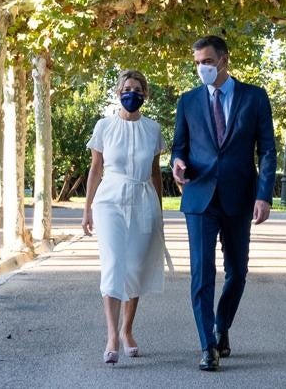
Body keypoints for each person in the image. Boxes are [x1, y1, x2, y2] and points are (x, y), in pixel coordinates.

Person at [170, 35, 277, 371]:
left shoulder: (254, 97)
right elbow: (179, 147)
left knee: (237, 272)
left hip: (239, 196)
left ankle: (221, 324)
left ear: (223, 60)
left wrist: (263, 194)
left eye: (207, 61)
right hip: (199, 197)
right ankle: (207, 346)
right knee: (202, 273)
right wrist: (177, 163)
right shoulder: (188, 101)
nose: (202, 67)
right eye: (197, 63)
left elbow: (267, 150)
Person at [81, 70, 166, 366]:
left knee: (135, 267)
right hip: (110, 200)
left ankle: (127, 330)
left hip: (143, 199)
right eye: (127, 88)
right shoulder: (104, 126)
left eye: (138, 89)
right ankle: (111, 336)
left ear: (145, 94)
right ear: (118, 92)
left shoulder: (153, 129)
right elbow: (95, 168)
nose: (132, 93)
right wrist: (87, 208)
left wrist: (159, 211)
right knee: (114, 263)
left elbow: (155, 172)